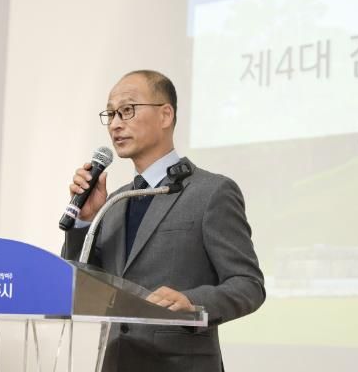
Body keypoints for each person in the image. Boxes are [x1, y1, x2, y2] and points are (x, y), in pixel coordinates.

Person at [62, 70, 265, 371]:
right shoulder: (113, 202)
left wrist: (192, 303)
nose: (116, 124)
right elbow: (78, 283)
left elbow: (249, 285)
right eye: (111, 114)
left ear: (165, 115)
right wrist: (85, 221)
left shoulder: (211, 192)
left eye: (127, 110)